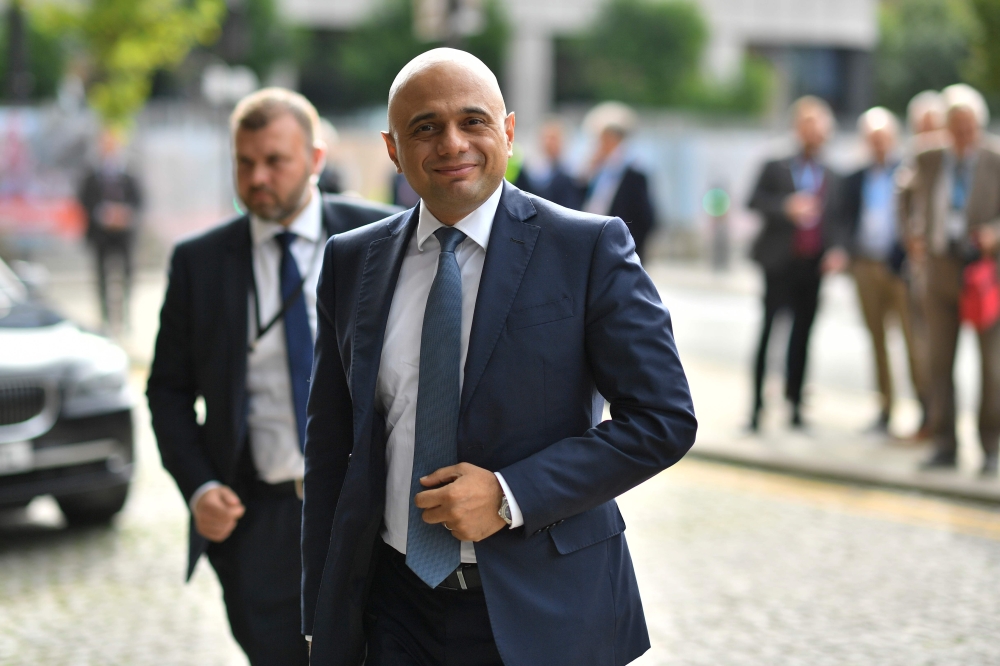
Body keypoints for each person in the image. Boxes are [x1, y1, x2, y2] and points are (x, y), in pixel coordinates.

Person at [301, 49, 697, 666]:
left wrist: (511, 493)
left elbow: (663, 419)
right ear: (392, 148)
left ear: (508, 131)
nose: (451, 143)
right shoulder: (353, 260)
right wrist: (319, 615)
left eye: (473, 121)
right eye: (425, 127)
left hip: (547, 611)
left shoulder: (587, 247)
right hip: (394, 608)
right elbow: (330, 443)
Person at [146, 88, 397, 665]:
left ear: (315, 159)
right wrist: (200, 487)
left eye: (275, 161)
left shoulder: (385, 236)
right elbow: (167, 390)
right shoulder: (198, 263)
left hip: (375, 511)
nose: (258, 177)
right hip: (262, 525)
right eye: (244, 162)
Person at [906, 84, 1000, 474]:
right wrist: (912, 233)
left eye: (969, 126)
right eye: (955, 125)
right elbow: (904, 194)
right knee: (939, 361)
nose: (963, 133)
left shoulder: (995, 158)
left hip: (984, 271)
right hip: (940, 269)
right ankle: (945, 442)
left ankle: (991, 447)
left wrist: (996, 233)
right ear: (945, 128)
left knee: (992, 366)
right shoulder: (927, 158)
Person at [747, 96, 842, 431]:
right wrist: (785, 207)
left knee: (802, 337)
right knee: (769, 332)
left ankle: (795, 404)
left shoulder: (831, 172)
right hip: (778, 262)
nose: (814, 131)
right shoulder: (776, 163)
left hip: (812, 264)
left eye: (819, 125)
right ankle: (756, 407)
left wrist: (835, 249)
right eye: (808, 123)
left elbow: (836, 219)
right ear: (797, 127)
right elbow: (753, 200)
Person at [829, 107, 926, 434]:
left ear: (894, 138)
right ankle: (886, 409)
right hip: (864, 264)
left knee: (913, 340)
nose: (878, 144)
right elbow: (841, 219)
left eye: (883, 138)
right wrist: (844, 253)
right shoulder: (854, 177)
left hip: (898, 267)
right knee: (877, 341)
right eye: (872, 139)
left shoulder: (908, 171)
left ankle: (925, 410)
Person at [77, 130, 143, 331]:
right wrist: (102, 214)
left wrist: (124, 214)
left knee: (127, 275)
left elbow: (139, 201)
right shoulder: (92, 175)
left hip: (123, 235)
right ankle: (105, 318)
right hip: (101, 235)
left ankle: (124, 316)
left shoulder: (128, 174)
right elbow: (84, 200)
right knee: (102, 276)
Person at [582, 102, 657, 260]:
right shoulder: (600, 170)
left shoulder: (633, 173)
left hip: (618, 250)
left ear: (611, 139)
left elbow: (646, 218)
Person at [522, 120, 585, 210]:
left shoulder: (573, 172)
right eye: (546, 138)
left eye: (553, 138)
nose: (549, 143)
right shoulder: (532, 171)